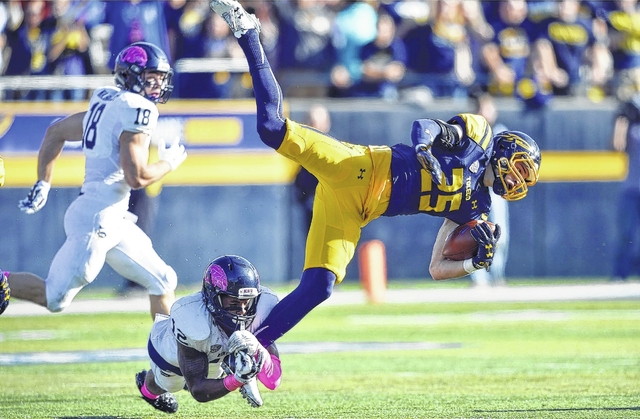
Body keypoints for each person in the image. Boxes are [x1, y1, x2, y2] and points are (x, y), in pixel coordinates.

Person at [208, 0, 541, 348]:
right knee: (270, 127)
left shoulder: (477, 208)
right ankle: (248, 34)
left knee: (318, 287)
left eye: (524, 178)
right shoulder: (478, 136)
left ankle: (250, 350)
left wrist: (474, 263)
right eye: (520, 169)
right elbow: (424, 126)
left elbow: (437, 268)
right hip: (355, 166)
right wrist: (426, 153)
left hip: (356, 211)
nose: (518, 182)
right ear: (504, 152)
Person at [1, 42, 187, 319]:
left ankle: (166, 362)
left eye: (160, 78)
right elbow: (136, 177)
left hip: (111, 215)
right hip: (98, 218)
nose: (158, 85)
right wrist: (168, 162)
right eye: (151, 78)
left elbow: (56, 132)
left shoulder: (109, 101)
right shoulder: (137, 108)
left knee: (163, 280)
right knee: (54, 298)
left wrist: (44, 182)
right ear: (132, 76)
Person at [135, 255, 282, 413]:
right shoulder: (193, 319)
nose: (242, 310)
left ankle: (229, 363)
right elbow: (198, 390)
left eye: (247, 301)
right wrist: (238, 379)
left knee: (216, 371)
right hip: (173, 353)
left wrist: (259, 350)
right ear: (213, 296)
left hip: (216, 354)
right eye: (233, 302)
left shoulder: (263, 308)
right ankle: (147, 389)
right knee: (170, 384)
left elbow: (273, 381)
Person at [468, 91, 509, 287]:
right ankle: (478, 276)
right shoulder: (471, 132)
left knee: (500, 231)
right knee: (475, 232)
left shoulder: (501, 131)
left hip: (496, 188)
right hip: (474, 187)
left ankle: (498, 273)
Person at [611, 84, 640, 282]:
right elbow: (617, 146)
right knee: (626, 235)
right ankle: (620, 276)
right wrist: (621, 120)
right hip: (632, 189)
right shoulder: (633, 127)